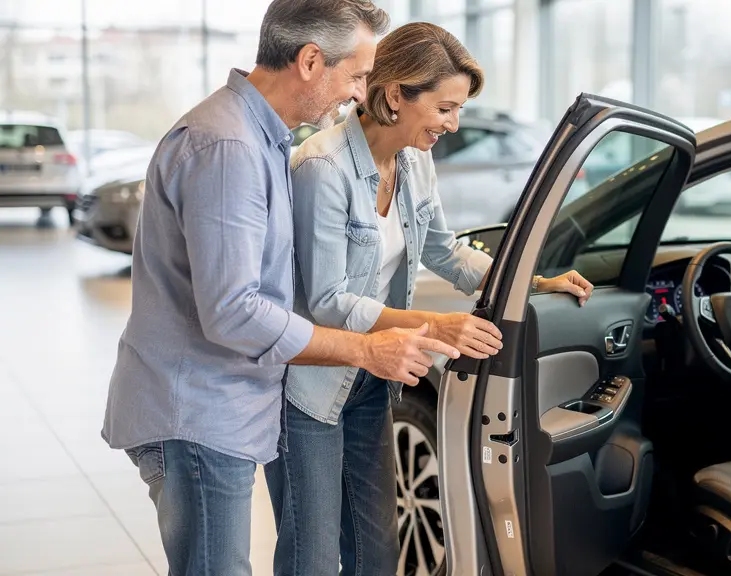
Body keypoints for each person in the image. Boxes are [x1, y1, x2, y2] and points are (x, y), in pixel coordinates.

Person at [99, 3, 463, 575]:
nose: (361, 93)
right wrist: (366, 348)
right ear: (312, 61)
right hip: (194, 411)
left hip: (226, 405)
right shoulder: (230, 147)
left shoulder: (262, 138)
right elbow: (235, 313)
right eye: (359, 75)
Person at [266, 21, 594, 575]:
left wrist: (532, 281)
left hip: (373, 377)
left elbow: (446, 252)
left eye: (458, 109)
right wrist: (435, 326)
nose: (453, 123)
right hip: (310, 387)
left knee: (377, 550)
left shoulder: (416, 161)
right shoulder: (321, 168)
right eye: (445, 108)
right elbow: (328, 302)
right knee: (314, 557)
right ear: (396, 95)